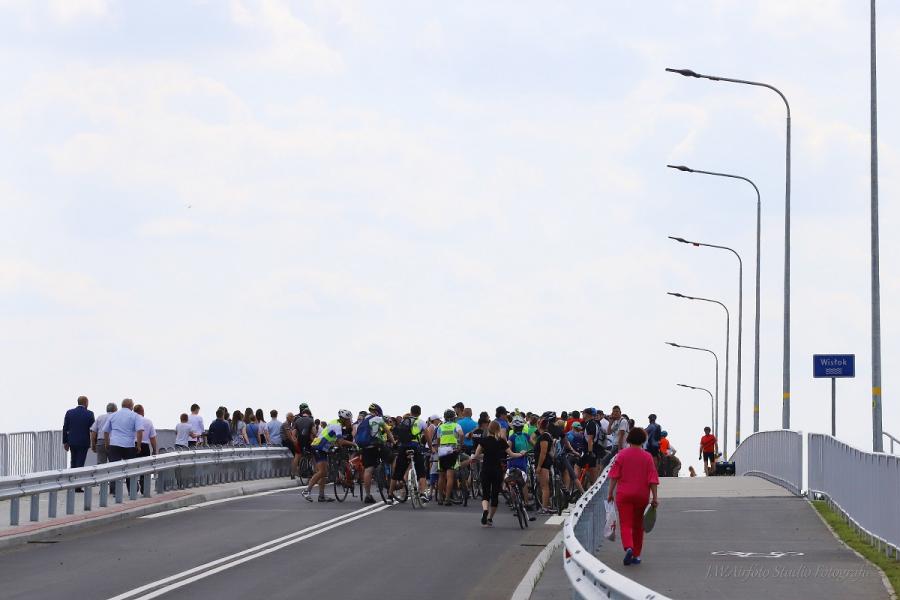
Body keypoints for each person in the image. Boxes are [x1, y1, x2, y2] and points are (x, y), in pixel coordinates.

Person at [607, 427, 659, 566]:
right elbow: (653, 480)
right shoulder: (647, 457)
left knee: (625, 524)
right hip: (641, 495)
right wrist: (655, 498)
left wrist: (610, 493)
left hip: (624, 494)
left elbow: (614, 476)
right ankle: (636, 555)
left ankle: (628, 547)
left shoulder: (621, 455)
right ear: (643, 440)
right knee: (638, 526)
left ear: (629, 439)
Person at [464, 421, 526, 526]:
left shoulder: (483, 441)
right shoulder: (501, 441)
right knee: (495, 495)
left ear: (488, 429)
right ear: (498, 429)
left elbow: (477, 455)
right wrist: (521, 454)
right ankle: (490, 518)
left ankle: (485, 510)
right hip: (497, 470)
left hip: (486, 469)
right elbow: (511, 454)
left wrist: (483, 456)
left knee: (486, 494)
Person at [302, 409, 356, 502]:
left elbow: (334, 440)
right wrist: (354, 444)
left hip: (322, 448)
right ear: (344, 419)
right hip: (319, 447)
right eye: (349, 419)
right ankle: (306, 491)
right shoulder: (337, 426)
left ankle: (321, 496)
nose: (350, 421)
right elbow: (340, 441)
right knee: (322, 471)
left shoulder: (335, 422)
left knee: (324, 472)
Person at [388, 405, 429, 504]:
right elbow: (427, 437)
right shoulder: (421, 422)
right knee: (421, 471)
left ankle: (390, 496)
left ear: (411, 412)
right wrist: (431, 448)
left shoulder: (404, 421)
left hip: (403, 447)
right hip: (415, 447)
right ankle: (422, 493)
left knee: (397, 472)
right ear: (419, 413)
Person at [102, 399, 144, 493]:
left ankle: (115, 491)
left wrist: (107, 443)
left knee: (115, 469)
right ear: (131, 406)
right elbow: (140, 431)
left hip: (115, 444)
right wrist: (139, 445)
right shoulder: (135, 416)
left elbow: (105, 431)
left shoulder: (113, 415)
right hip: (129, 445)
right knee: (130, 469)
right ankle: (132, 490)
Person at [357, 403, 395, 504]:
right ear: (377, 412)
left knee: (368, 469)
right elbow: (388, 432)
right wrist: (394, 442)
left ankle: (368, 495)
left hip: (365, 447)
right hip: (377, 445)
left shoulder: (362, 421)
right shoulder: (378, 419)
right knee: (393, 459)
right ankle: (395, 479)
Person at [434, 409, 463, 506]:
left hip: (442, 450)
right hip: (452, 450)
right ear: (453, 417)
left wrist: (439, 447)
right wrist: (460, 445)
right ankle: (447, 499)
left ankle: (440, 498)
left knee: (441, 476)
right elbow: (461, 434)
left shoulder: (440, 427)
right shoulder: (456, 425)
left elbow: (438, 439)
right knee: (450, 476)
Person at [63, 396, 95, 472]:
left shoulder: (69, 412)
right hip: (84, 442)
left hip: (72, 441)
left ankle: (72, 476)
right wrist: (94, 442)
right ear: (86, 402)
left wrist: (65, 442)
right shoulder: (89, 414)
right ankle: (77, 477)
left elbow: (65, 428)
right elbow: (93, 429)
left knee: (73, 461)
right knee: (80, 462)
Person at [133, 404, 157, 494]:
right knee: (145, 468)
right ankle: (144, 487)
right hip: (145, 446)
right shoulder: (148, 421)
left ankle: (133, 486)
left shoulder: (132, 421)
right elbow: (152, 438)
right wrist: (154, 449)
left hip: (133, 445)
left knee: (132, 467)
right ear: (142, 411)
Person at [534, 416, 555, 515]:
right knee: (545, 486)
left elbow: (543, 452)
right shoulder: (547, 435)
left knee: (544, 486)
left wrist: (539, 466)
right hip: (546, 463)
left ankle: (544, 507)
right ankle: (547, 506)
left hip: (543, 464)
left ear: (539, 425)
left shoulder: (544, 437)